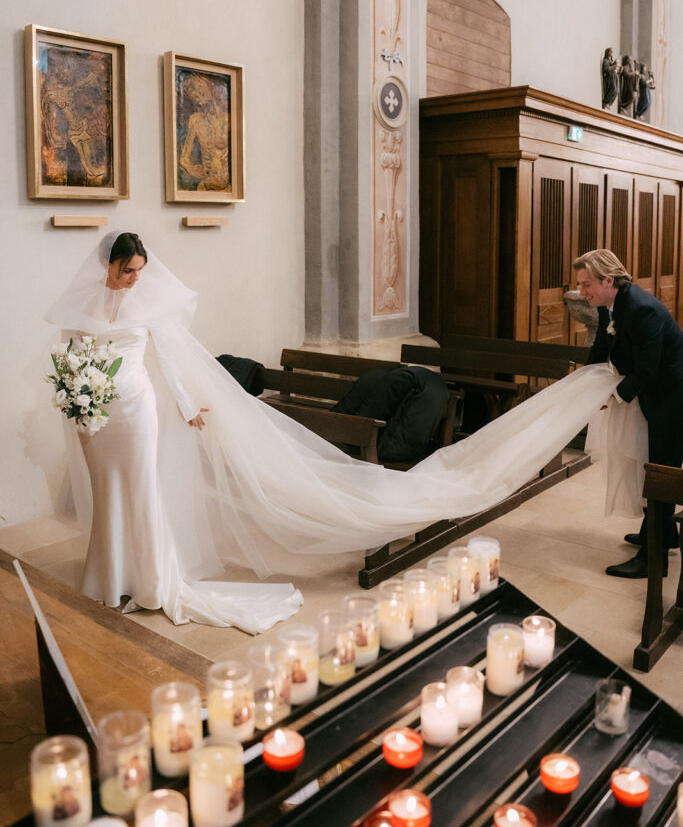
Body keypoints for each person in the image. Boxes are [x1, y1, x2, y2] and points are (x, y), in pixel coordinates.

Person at [45, 231, 626, 632]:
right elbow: (74, 353)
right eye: (126, 272)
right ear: (108, 266)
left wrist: (189, 403)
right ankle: (108, 572)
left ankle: (147, 580)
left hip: (139, 411)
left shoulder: (147, 303)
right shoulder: (90, 300)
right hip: (101, 416)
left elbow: (169, 359)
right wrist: (77, 390)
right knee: (109, 494)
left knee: (139, 493)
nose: (131, 280)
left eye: (138, 273)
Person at [574, 249, 683, 577]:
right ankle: (664, 534)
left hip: (672, 399)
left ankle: (654, 562)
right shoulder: (612, 303)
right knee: (654, 466)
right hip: (659, 393)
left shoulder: (641, 309)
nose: (581, 292)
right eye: (579, 285)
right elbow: (600, 348)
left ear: (609, 280)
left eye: (586, 284)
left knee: (659, 471)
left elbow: (648, 372)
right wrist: (585, 385)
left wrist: (613, 395)